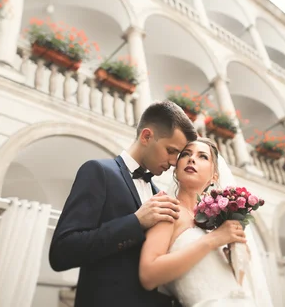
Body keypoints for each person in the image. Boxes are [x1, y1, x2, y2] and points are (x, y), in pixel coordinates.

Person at [49, 100, 198, 307]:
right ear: (147, 136)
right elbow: (61, 252)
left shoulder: (159, 196)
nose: (174, 162)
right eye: (171, 151)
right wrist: (136, 222)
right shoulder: (98, 171)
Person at [139, 138, 258, 307]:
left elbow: (231, 283)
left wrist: (235, 257)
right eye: (186, 154)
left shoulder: (217, 223)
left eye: (202, 156)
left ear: (214, 176)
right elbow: (148, 276)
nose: (192, 159)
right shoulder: (168, 210)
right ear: (176, 170)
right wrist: (213, 240)